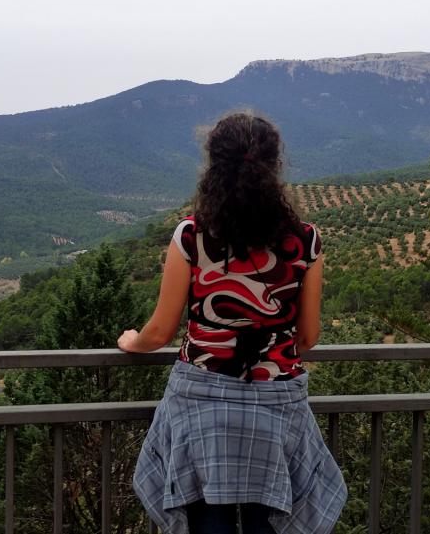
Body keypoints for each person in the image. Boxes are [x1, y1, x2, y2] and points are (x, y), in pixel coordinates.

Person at [117, 112, 347, 533]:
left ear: (214, 167)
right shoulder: (306, 241)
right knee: (271, 516)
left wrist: (133, 342)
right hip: (276, 402)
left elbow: (160, 332)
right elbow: (309, 337)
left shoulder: (192, 236)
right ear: (274, 166)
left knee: (206, 515)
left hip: (201, 401)